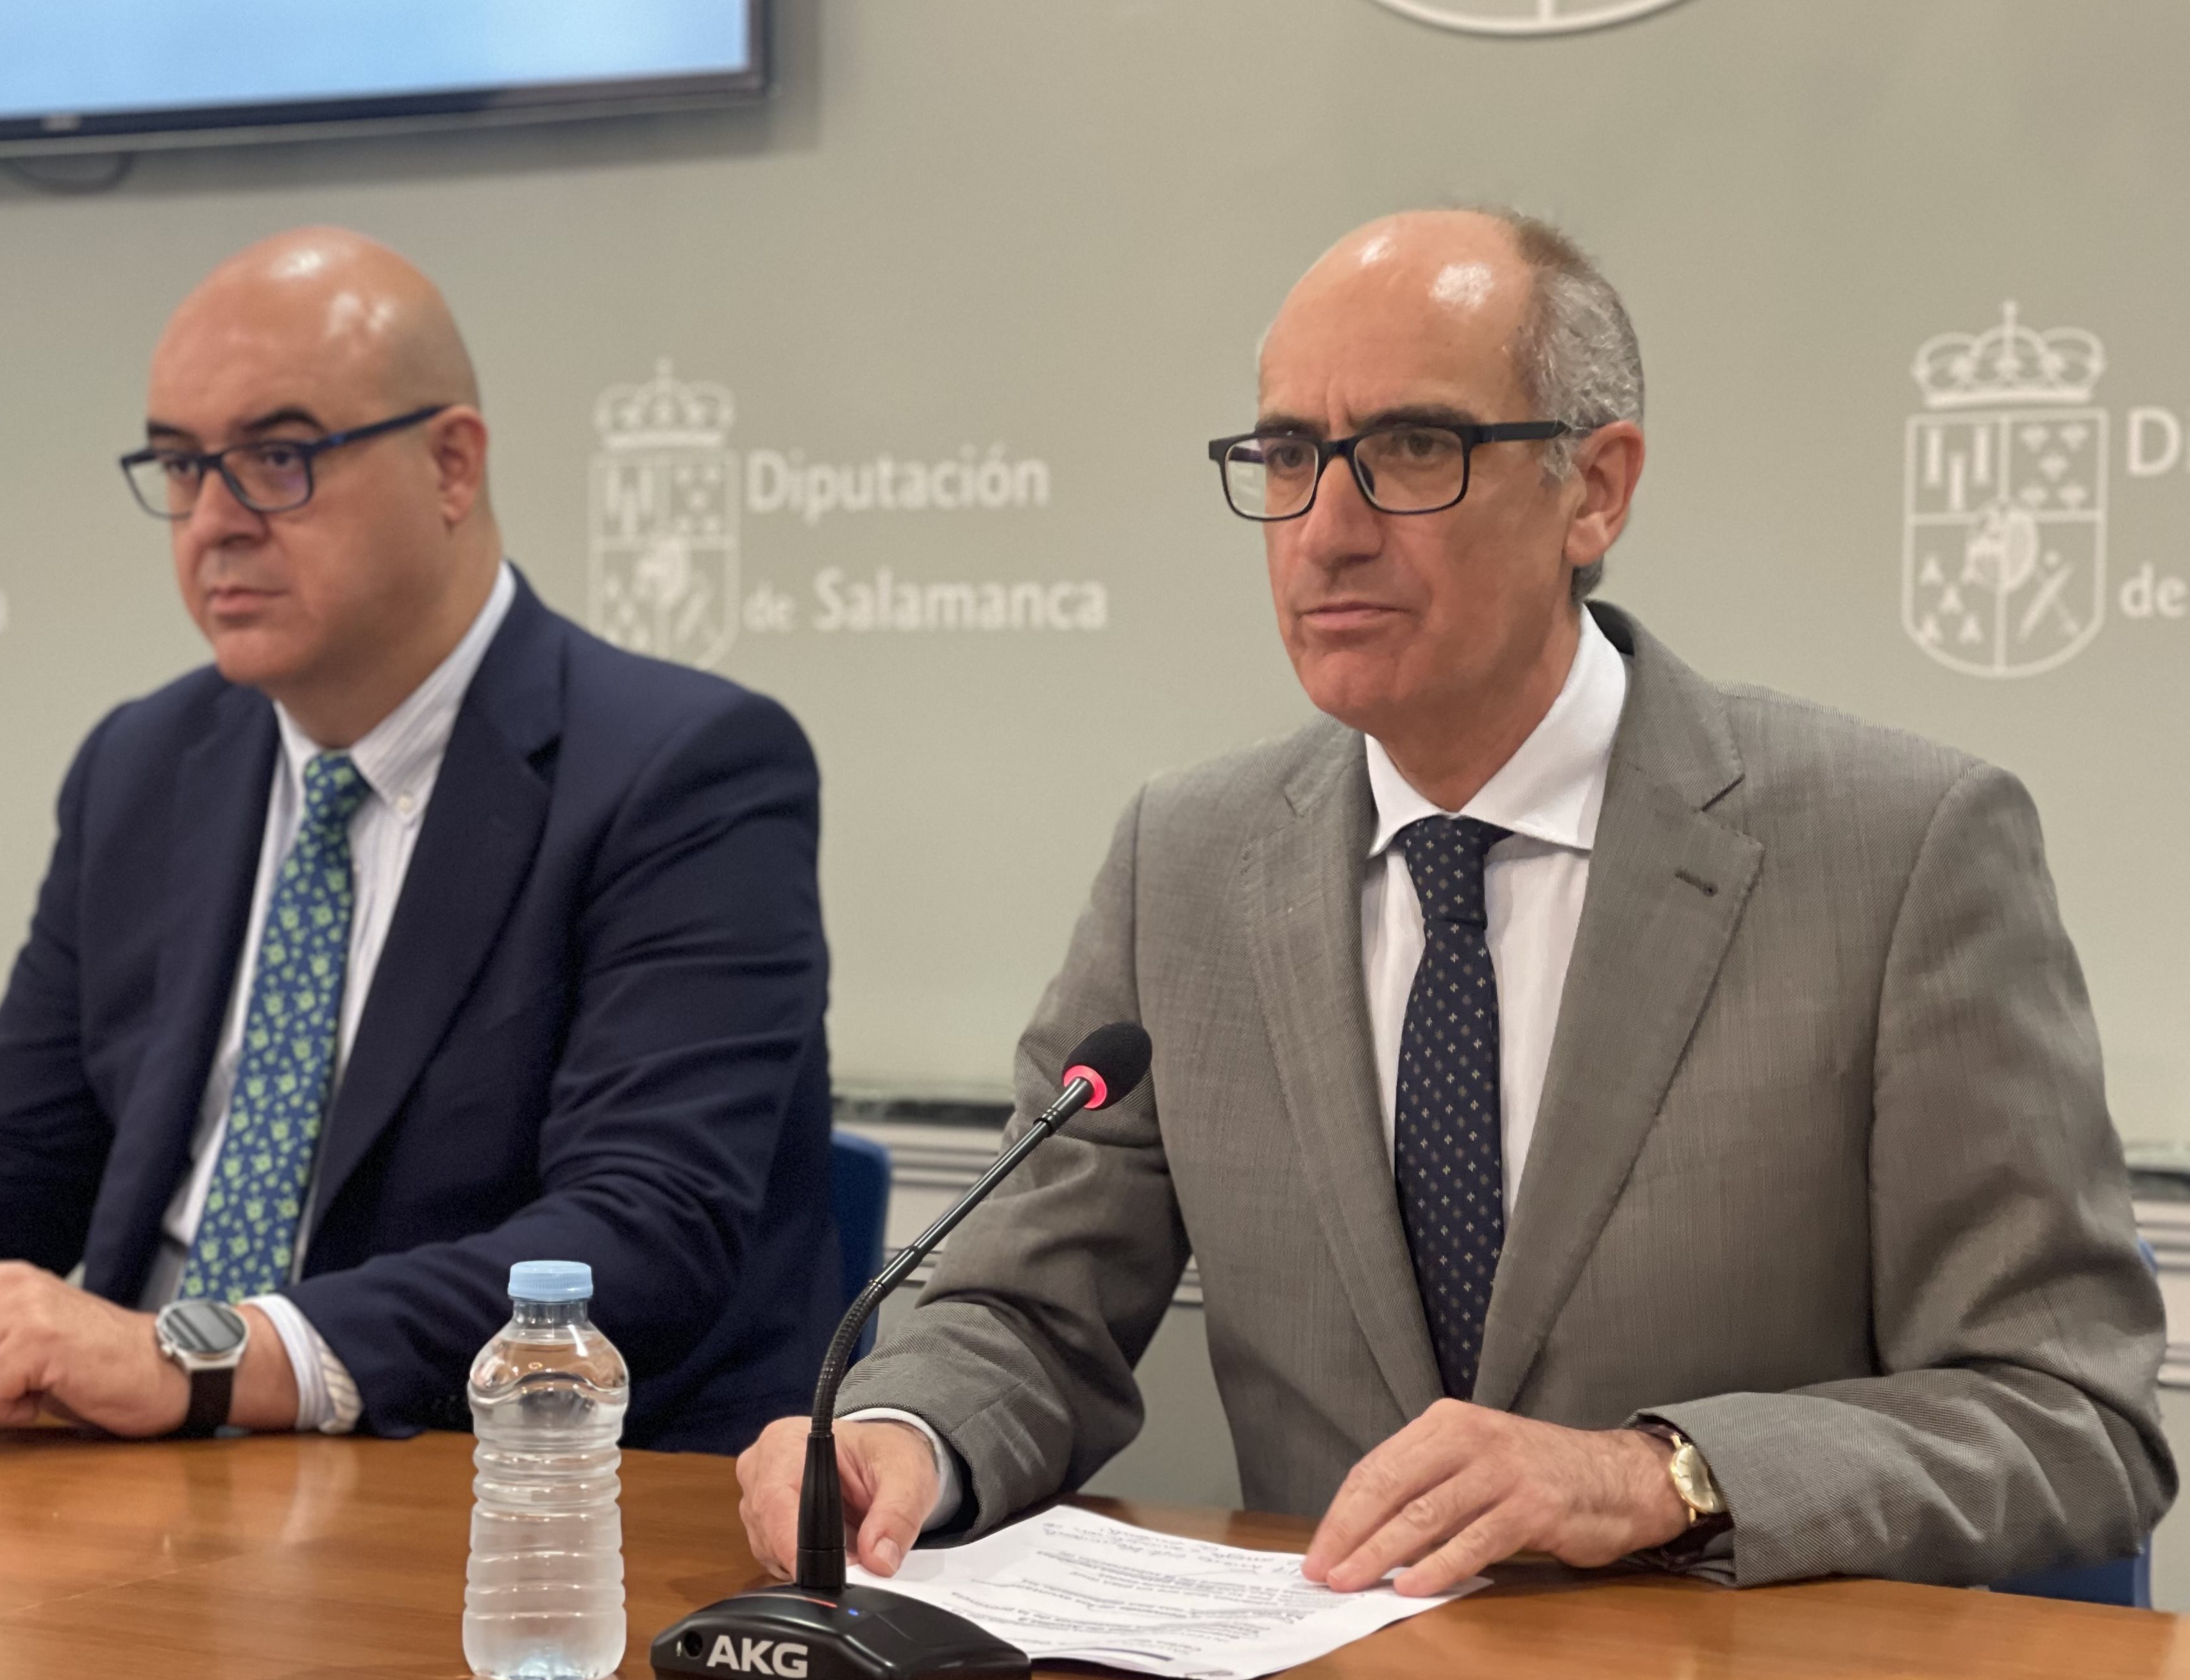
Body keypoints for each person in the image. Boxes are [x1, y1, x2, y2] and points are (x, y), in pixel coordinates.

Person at [737, 208, 2173, 1592]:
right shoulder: (1187, 862)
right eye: (1287, 456)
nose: (1326, 530)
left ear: (1594, 489)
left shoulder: (1902, 850)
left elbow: (2069, 1414)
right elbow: (1024, 1312)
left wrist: (1660, 1475)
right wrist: (899, 1435)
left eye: (1411, 449)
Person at [0, 228, 839, 1450]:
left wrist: (201, 1355)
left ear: (451, 465)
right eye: (182, 465)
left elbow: (641, 1234)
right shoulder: (145, 765)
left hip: (492, 1493)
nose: (214, 521)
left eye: (277, 458)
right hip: (141, 1482)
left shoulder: (683, 771)